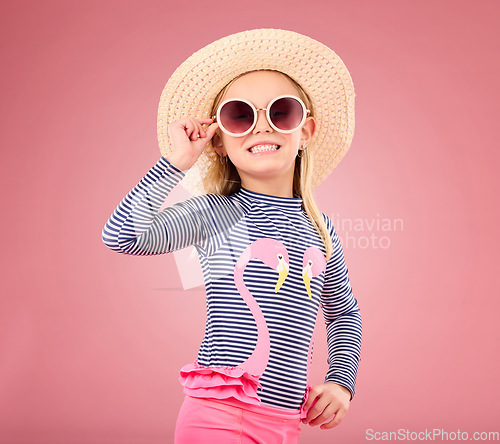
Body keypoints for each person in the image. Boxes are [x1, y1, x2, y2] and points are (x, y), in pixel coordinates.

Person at [102, 28, 362, 444]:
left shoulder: (320, 228)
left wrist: (341, 381)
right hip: (217, 415)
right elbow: (122, 235)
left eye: (282, 113)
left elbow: (344, 313)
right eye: (240, 115)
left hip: (284, 423)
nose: (262, 127)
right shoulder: (216, 212)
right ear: (220, 140)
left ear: (306, 132)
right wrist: (175, 164)